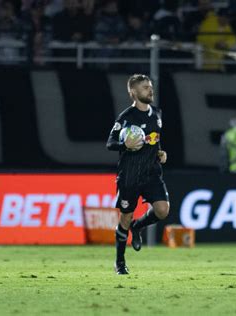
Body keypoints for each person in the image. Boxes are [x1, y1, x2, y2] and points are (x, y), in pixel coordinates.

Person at [106, 74, 170, 275]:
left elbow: (155, 139)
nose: (150, 90)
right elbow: (110, 143)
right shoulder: (126, 117)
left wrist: (160, 152)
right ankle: (120, 263)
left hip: (151, 172)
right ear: (133, 93)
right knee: (125, 217)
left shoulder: (157, 114)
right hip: (130, 175)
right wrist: (124, 144)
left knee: (162, 210)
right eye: (144, 88)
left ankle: (138, 227)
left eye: (150, 87)